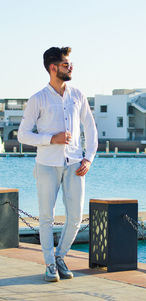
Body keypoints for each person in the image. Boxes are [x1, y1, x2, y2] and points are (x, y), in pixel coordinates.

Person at [18, 46, 98, 282]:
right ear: (53, 68)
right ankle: (50, 264)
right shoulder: (37, 99)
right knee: (46, 217)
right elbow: (22, 135)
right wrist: (51, 139)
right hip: (46, 165)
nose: (70, 67)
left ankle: (61, 256)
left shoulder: (78, 96)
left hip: (76, 164)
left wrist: (89, 158)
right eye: (66, 64)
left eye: (70, 64)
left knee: (75, 216)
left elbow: (90, 129)